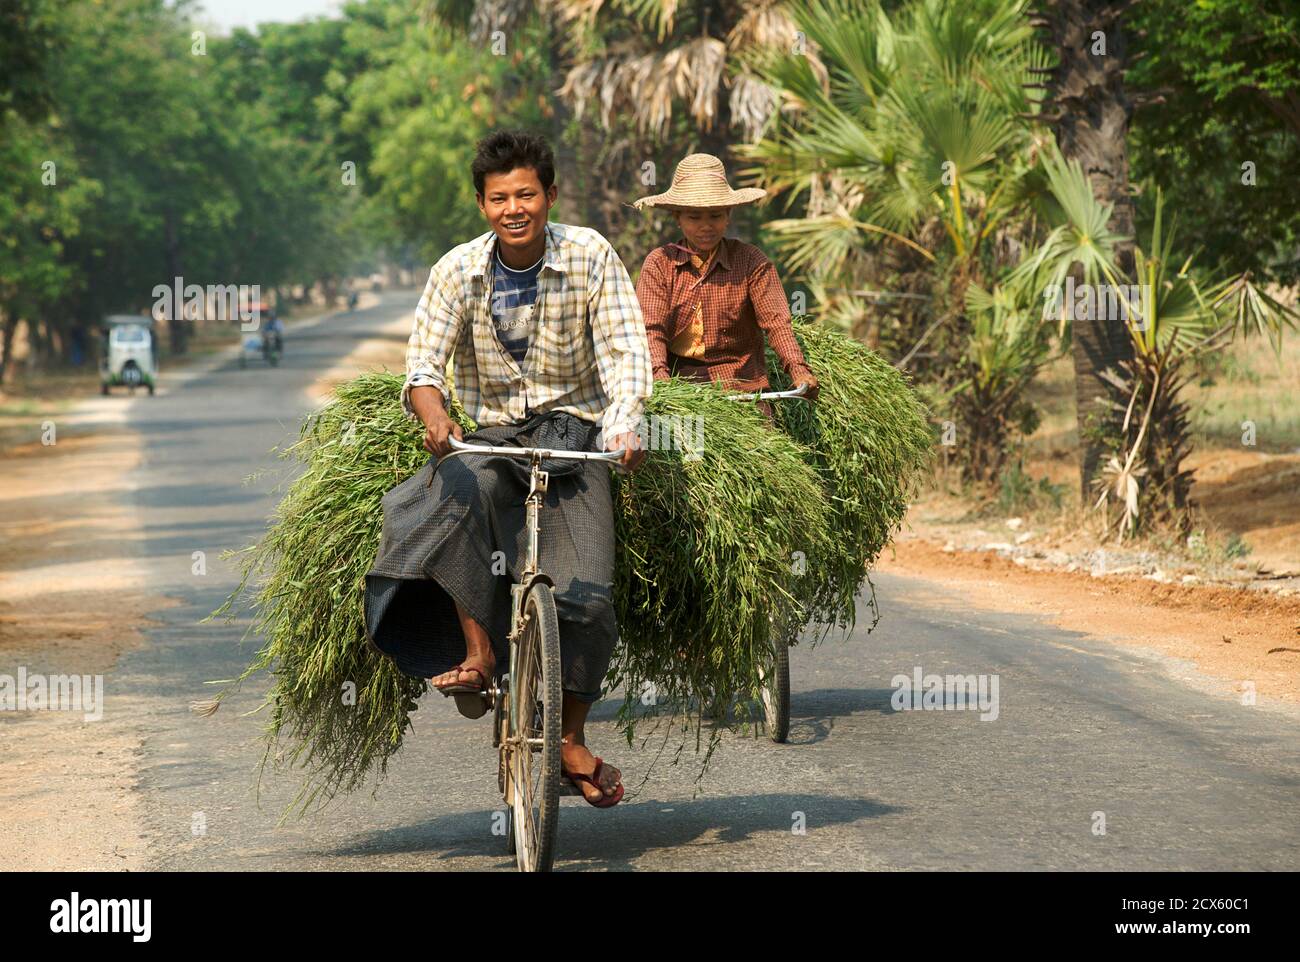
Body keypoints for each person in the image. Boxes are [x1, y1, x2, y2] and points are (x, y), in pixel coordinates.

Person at [363, 130, 651, 807]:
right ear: (481, 204)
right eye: (499, 198)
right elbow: (424, 367)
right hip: (492, 436)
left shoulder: (590, 256)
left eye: (527, 194)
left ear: (549, 196)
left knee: (589, 593)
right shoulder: (456, 270)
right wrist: (435, 417)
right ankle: (478, 654)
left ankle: (570, 738)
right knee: (454, 493)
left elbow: (624, 352)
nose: (514, 208)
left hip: (575, 435)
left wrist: (624, 423)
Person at [631, 153, 819, 419]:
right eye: (694, 217)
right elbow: (651, 330)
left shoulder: (751, 261)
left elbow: (776, 322)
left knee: (763, 453)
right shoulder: (660, 264)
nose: (705, 226)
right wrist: (660, 382)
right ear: (677, 217)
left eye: (715, 215)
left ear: (728, 216)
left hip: (742, 385)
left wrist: (798, 369)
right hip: (679, 385)